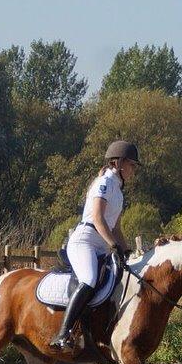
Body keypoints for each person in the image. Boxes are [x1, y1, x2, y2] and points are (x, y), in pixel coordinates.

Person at [49, 140, 141, 351]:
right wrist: (113, 245)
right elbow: (98, 219)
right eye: (132, 165)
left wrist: (126, 251)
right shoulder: (104, 183)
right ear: (119, 163)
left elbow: (116, 228)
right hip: (85, 240)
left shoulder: (118, 190)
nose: (133, 170)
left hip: (101, 244)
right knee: (89, 280)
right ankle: (63, 333)